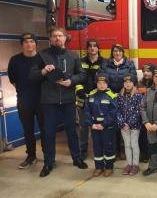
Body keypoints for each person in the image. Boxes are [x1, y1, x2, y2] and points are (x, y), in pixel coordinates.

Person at [29, 26, 88, 177]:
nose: (57, 39)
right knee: (48, 133)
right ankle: (49, 163)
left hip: (68, 100)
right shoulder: (41, 55)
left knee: (71, 132)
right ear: (50, 38)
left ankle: (77, 158)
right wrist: (43, 71)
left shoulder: (72, 55)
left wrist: (71, 81)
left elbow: (82, 74)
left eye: (60, 36)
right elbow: (32, 75)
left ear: (65, 38)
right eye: (54, 36)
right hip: (49, 101)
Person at [8, 33, 45, 169]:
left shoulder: (43, 59)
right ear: (22, 44)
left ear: (36, 43)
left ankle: (48, 156)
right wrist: (24, 91)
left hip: (42, 100)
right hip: (24, 101)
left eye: (32, 41)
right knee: (28, 129)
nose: (29, 44)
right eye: (26, 42)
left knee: (45, 129)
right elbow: (13, 80)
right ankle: (31, 156)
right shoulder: (15, 60)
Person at [99, 43, 137, 160]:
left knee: (122, 123)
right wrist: (110, 92)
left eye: (120, 51)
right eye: (115, 51)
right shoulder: (105, 63)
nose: (117, 53)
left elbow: (134, 79)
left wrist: (122, 91)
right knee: (112, 124)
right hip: (109, 97)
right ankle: (114, 149)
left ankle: (122, 149)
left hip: (124, 96)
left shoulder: (129, 64)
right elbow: (102, 78)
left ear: (123, 53)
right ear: (112, 52)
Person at [75, 39, 105, 160]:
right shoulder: (80, 62)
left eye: (95, 46)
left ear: (98, 48)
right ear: (87, 49)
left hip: (97, 100)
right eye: (90, 46)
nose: (92, 48)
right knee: (83, 127)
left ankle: (100, 149)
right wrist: (81, 91)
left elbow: (104, 80)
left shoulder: (103, 63)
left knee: (99, 126)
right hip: (83, 99)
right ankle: (83, 150)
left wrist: (95, 94)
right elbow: (77, 78)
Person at [84, 73, 117, 177]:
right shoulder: (91, 95)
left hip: (107, 127)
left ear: (107, 84)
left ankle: (109, 167)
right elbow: (86, 111)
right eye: (99, 83)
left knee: (108, 146)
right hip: (94, 127)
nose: (101, 85)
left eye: (104, 83)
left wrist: (104, 124)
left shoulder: (111, 96)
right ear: (96, 83)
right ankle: (98, 167)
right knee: (97, 147)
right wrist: (91, 124)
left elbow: (113, 112)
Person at [117, 73, 142, 176]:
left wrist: (130, 123)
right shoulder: (120, 95)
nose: (128, 84)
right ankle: (129, 164)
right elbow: (117, 111)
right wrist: (122, 123)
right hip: (124, 126)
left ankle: (135, 164)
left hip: (135, 126)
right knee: (127, 145)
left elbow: (138, 111)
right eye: (126, 82)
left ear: (133, 83)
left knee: (134, 144)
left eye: (130, 82)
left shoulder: (138, 95)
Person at [137, 63, 156, 162]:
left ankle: (154, 155)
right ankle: (145, 154)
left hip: (154, 114)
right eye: (144, 71)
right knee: (143, 136)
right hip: (143, 115)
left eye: (148, 71)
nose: (145, 73)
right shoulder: (139, 84)